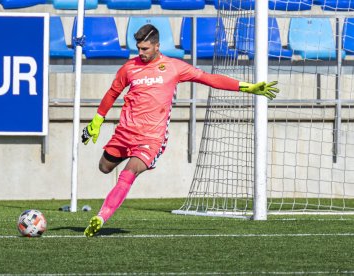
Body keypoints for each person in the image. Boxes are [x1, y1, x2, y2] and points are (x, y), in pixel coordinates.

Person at [81, 24, 279, 237]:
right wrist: (97, 121)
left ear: (157, 46)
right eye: (138, 48)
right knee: (104, 167)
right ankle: (120, 170)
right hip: (125, 133)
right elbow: (112, 93)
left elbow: (208, 78)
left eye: (145, 49)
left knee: (128, 174)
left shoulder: (174, 67)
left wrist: (246, 86)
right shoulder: (129, 68)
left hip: (151, 138)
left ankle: (101, 217)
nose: (141, 53)